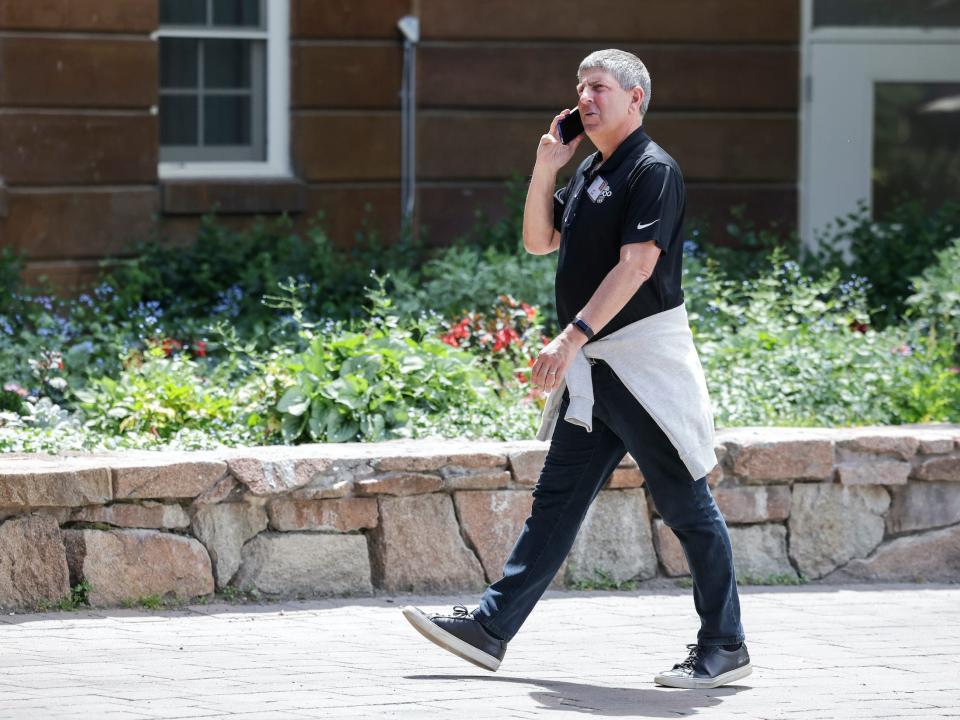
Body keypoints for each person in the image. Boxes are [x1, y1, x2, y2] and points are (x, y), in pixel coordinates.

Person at [403, 49, 750, 690]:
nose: (585, 98)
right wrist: (545, 166)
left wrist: (570, 337)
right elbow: (539, 239)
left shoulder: (653, 170)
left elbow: (637, 266)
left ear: (635, 99)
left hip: (641, 366)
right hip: (597, 370)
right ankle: (489, 629)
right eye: (581, 88)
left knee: (685, 505)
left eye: (600, 88)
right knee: (556, 504)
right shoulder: (591, 168)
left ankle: (724, 644)